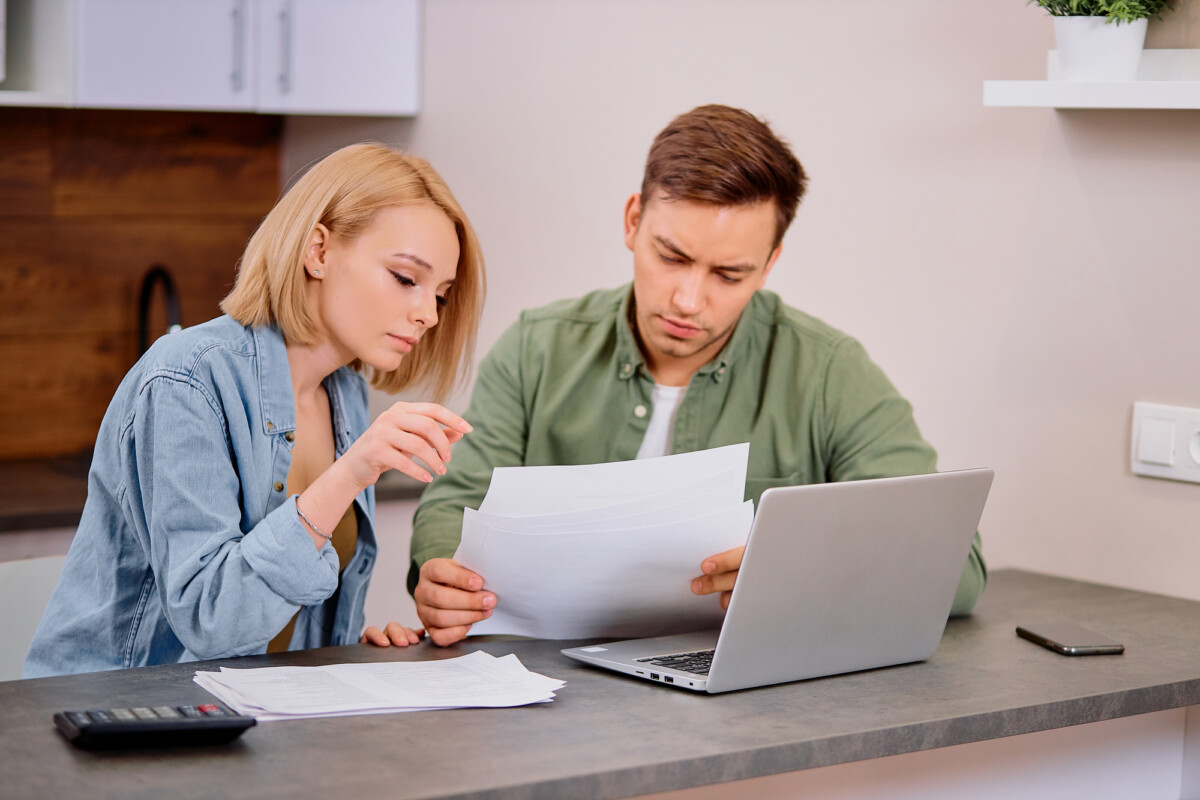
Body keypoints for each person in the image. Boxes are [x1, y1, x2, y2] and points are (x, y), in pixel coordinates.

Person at [407, 105, 986, 647]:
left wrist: (794, 575)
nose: (689, 299)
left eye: (729, 275)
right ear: (634, 221)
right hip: (545, 690)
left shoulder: (830, 372)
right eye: (672, 257)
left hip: (737, 700)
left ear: (770, 265)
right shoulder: (536, 348)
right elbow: (456, 504)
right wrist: (437, 573)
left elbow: (955, 567)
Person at [24, 143, 484, 677]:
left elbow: (277, 618)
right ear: (318, 251)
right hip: (118, 719)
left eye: (441, 295)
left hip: (248, 721)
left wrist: (353, 644)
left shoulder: (346, 398)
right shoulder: (186, 378)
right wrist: (351, 471)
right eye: (407, 278)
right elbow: (211, 620)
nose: (427, 313)